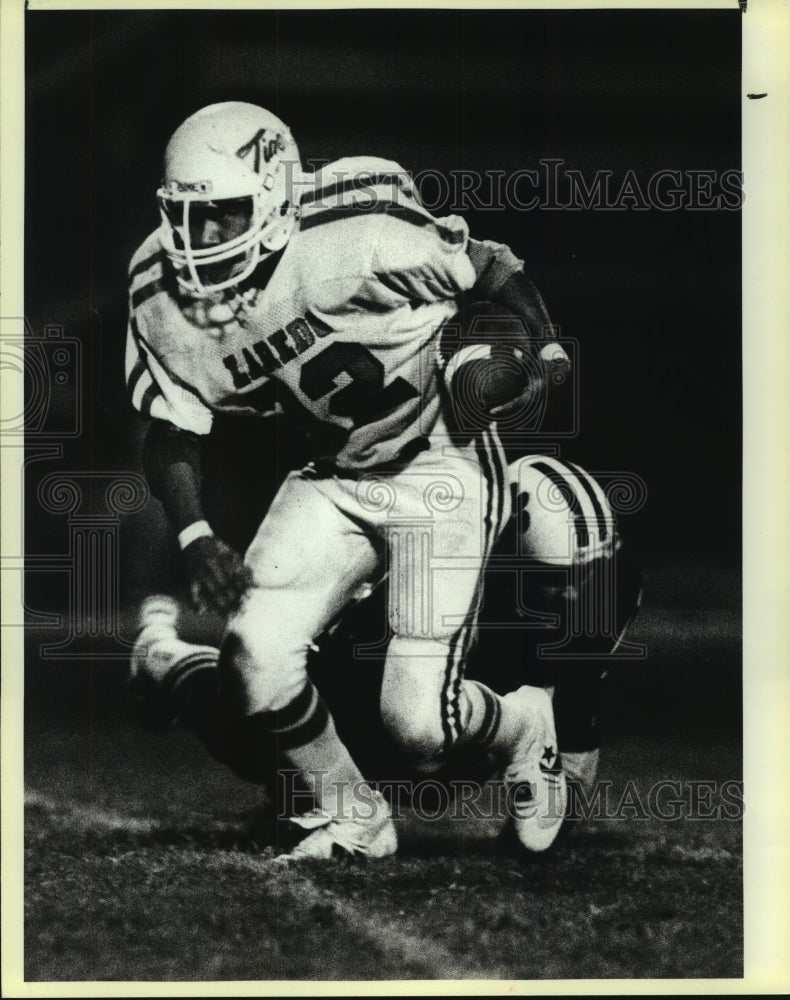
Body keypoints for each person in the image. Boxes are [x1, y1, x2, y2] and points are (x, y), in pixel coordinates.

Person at [126, 101, 572, 860]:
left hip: (441, 457)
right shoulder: (160, 294)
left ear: (273, 199)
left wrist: (548, 351)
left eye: (223, 216)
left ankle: (526, 725)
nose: (199, 240)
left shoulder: (356, 229)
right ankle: (353, 817)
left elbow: (491, 264)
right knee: (254, 657)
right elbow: (170, 427)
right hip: (331, 473)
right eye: (186, 216)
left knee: (420, 731)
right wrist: (197, 533)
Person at [130, 453, 642, 837]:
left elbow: (579, 708)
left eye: (579, 582)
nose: (567, 603)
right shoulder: (440, 546)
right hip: (348, 664)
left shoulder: (601, 585)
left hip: (433, 695)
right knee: (252, 739)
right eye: (549, 589)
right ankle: (161, 655)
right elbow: (351, 681)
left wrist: (554, 812)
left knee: (433, 774)